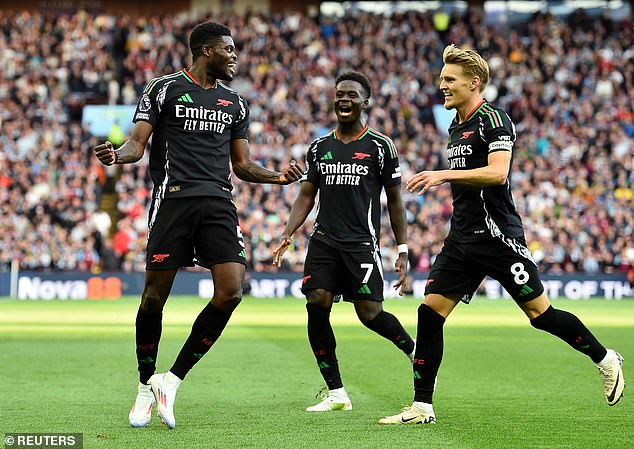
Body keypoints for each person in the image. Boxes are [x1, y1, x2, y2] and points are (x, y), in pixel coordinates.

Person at [379, 44, 625, 425]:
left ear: (473, 83)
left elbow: (498, 173)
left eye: (449, 79)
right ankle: (422, 406)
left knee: (540, 315)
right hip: (461, 238)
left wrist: (443, 174)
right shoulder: (456, 126)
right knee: (429, 313)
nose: (441, 85)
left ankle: (605, 357)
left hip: (497, 236)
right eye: (442, 78)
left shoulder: (494, 120)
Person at [94, 22, 303, 429]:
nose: (235, 56)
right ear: (206, 51)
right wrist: (116, 156)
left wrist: (277, 177)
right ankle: (143, 385)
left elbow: (241, 165)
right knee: (154, 299)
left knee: (230, 292)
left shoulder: (236, 103)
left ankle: (170, 381)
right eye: (229, 49)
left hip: (219, 203)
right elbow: (137, 146)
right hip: (173, 200)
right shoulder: (164, 88)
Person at [273, 71, 415, 412]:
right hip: (323, 242)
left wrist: (403, 249)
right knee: (316, 303)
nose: (344, 100)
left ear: (365, 102)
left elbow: (395, 201)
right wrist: (287, 233)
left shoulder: (381, 147)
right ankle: (336, 391)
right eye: (339, 94)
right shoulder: (319, 148)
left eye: (351, 95)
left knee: (370, 314)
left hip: (362, 245)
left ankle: (414, 351)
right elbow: (307, 194)